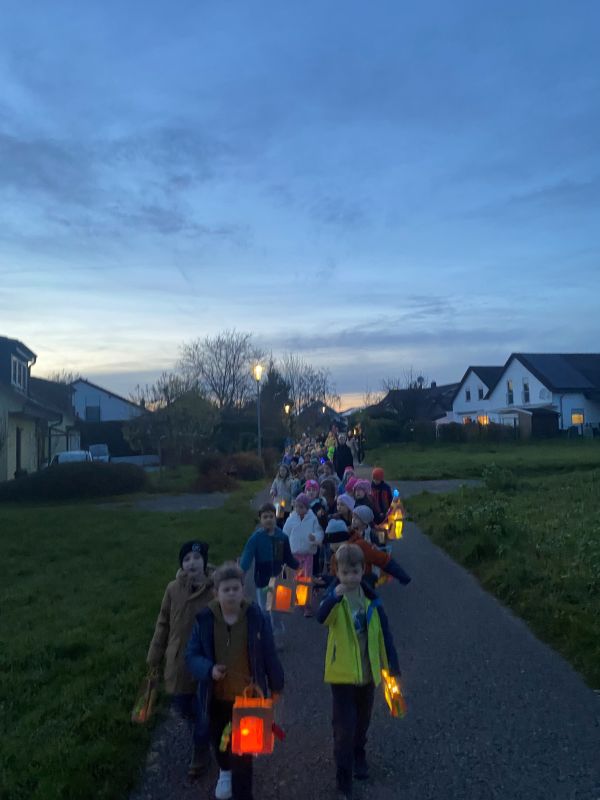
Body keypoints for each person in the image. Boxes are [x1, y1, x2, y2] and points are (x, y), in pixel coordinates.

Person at [186, 563, 284, 800]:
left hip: (247, 700)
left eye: (235, 588)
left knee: (243, 753)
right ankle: (224, 770)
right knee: (220, 740)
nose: (231, 594)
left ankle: (243, 792)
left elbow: (269, 653)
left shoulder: (256, 618)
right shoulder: (205, 620)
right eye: (226, 589)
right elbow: (191, 655)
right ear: (216, 593)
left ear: (243, 590)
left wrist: (276, 684)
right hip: (217, 697)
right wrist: (209, 669)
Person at [317, 544, 400, 799]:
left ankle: (359, 752)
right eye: (345, 573)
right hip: (342, 675)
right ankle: (343, 777)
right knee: (344, 726)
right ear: (337, 572)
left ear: (363, 570)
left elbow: (385, 634)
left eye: (355, 572)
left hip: (367, 673)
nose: (351, 578)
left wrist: (391, 666)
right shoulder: (335, 598)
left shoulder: (371, 600)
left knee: (362, 720)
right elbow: (322, 617)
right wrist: (333, 597)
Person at [146, 540, 214, 777]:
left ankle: (201, 750)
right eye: (186, 559)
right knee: (183, 704)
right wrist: (154, 656)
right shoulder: (173, 589)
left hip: (206, 661)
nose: (192, 563)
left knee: (204, 709)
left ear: (204, 561)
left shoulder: (215, 589)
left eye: (197, 558)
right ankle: (200, 731)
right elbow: (163, 623)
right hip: (178, 661)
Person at [239, 503, 299, 648]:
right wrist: (241, 574)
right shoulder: (256, 538)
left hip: (278, 580)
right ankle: (265, 637)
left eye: (271, 516)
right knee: (264, 611)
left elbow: (288, 557)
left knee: (277, 611)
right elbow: (247, 557)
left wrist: (299, 567)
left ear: (275, 518)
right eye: (265, 517)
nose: (268, 520)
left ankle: (277, 637)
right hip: (262, 581)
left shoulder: (282, 537)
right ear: (260, 519)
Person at [283, 493, 323, 616]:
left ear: (307, 507)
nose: (298, 509)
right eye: (296, 506)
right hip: (293, 555)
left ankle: (306, 605)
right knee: (294, 579)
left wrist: (315, 537)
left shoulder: (313, 519)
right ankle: (297, 601)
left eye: (301, 507)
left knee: (305, 580)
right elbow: (284, 534)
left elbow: (319, 532)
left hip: (307, 555)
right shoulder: (291, 519)